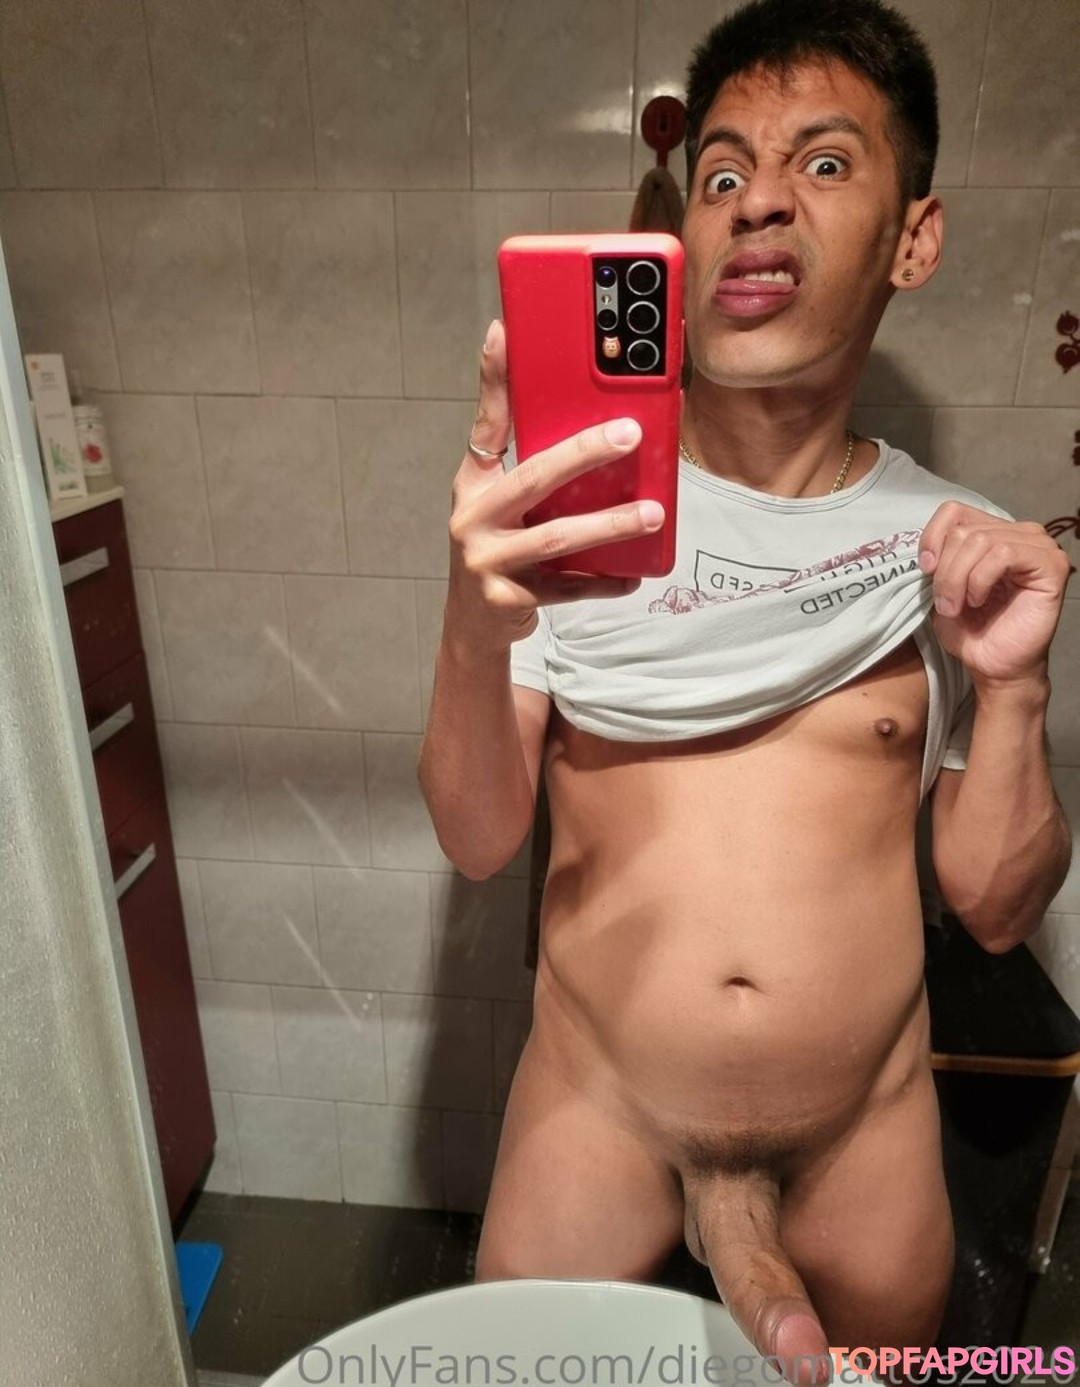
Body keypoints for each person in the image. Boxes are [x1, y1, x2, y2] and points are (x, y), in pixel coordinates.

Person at [418, 0, 1073, 1374]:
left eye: (824, 164)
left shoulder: (949, 547)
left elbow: (998, 910)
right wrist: (475, 624)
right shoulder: (565, 511)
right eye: (723, 175)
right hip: (594, 1108)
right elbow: (478, 838)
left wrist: (1015, 693)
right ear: (683, 239)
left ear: (915, 238)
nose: (759, 202)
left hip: (862, 1135)